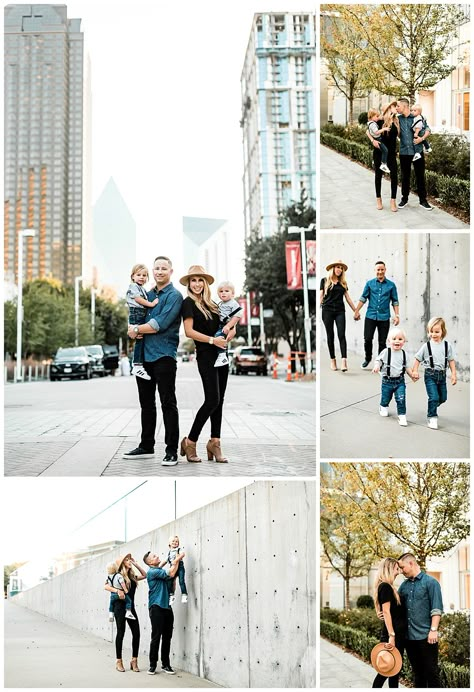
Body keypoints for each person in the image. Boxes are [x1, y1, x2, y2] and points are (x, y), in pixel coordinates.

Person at [125, 256, 183, 465]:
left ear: (170, 271)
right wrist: (132, 330)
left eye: (163, 268)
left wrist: (136, 330)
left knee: (168, 403)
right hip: (143, 357)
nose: (159, 271)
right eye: (156, 268)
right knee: (146, 404)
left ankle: (171, 450)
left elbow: (160, 324)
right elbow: (133, 319)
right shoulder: (145, 294)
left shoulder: (175, 296)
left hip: (164, 356)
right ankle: (146, 445)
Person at [180, 265, 236, 463]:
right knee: (212, 399)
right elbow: (189, 332)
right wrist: (212, 341)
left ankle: (215, 443)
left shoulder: (213, 304)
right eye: (193, 280)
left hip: (222, 355)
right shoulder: (188, 303)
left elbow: (226, 326)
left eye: (200, 280)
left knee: (219, 401)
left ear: (205, 283)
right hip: (206, 356)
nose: (196, 284)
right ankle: (190, 441)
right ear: (189, 283)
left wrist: (230, 332)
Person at [397, 552, 443, 688]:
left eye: (402, 567)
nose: (401, 571)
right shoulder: (403, 586)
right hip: (409, 639)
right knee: (418, 675)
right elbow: (396, 607)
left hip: (427, 637)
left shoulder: (431, 582)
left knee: (432, 674)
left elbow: (436, 609)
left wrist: (433, 630)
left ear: (411, 563)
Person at [143, 549, 186, 675]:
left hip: (167, 607)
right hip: (156, 607)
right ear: (150, 562)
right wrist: (178, 558)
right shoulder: (152, 572)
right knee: (156, 637)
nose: (157, 556)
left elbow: (171, 579)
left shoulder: (159, 570)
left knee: (167, 637)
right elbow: (172, 572)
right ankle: (152, 665)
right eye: (154, 556)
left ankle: (165, 664)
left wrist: (173, 581)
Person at [104, 553, 147, 673]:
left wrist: (136, 563)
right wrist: (117, 590)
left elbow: (145, 575)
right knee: (121, 632)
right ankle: (119, 661)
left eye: (129, 559)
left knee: (136, 633)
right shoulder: (117, 575)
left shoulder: (132, 577)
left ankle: (134, 660)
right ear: (122, 563)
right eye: (126, 560)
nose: (129, 561)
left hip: (130, 607)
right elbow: (106, 586)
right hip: (119, 607)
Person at [411, 317, 457, 430]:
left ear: (443, 332)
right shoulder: (426, 346)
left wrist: (454, 374)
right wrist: (415, 371)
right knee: (434, 397)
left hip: (442, 376)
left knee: (443, 398)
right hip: (430, 375)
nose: (434, 334)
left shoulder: (447, 346)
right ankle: (432, 417)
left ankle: (433, 406)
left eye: (437, 332)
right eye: (431, 332)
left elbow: (451, 361)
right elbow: (417, 359)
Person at [354, 261, 400, 370]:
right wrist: (356, 311)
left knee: (382, 341)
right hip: (370, 316)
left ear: (385, 270)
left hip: (384, 317)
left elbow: (395, 301)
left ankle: (380, 362)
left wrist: (397, 315)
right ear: (375, 271)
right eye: (378, 270)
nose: (380, 271)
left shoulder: (391, 285)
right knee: (368, 338)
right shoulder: (369, 284)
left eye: (382, 269)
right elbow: (363, 298)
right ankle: (368, 358)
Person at [372, 557, 406, 688]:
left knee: (393, 671)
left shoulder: (387, 587)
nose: (398, 572)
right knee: (385, 671)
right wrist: (392, 636)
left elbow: (387, 611)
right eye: (397, 569)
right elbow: (386, 612)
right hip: (392, 636)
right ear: (390, 569)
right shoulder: (385, 587)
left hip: (397, 635)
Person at [372, 327, 416, 427]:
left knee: (401, 398)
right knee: (386, 397)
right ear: (389, 341)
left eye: (400, 339)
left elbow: (407, 367)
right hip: (387, 381)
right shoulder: (386, 352)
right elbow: (378, 360)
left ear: (404, 341)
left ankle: (402, 415)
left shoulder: (404, 354)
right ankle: (383, 406)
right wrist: (377, 366)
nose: (397, 341)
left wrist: (412, 375)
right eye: (394, 339)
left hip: (400, 381)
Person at [319, 260, 358, 372]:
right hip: (327, 311)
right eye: (337, 267)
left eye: (341, 268)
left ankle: (344, 361)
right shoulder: (324, 281)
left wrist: (355, 310)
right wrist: (319, 307)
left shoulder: (343, 283)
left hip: (340, 311)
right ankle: (333, 360)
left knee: (342, 335)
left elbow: (348, 298)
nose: (339, 269)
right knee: (330, 336)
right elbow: (321, 296)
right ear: (333, 268)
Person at [395, 98, 432, 210]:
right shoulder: (398, 119)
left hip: (417, 151)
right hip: (404, 151)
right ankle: (404, 199)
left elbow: (428, 130)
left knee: (420, 176)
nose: (397, 108)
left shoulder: (417, 117)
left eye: (398, 106)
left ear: (405, 106)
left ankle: (423, 201)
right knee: (405, 176)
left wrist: (421, 139)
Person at [126, 263, 159, 380]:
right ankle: (137, 365)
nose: (141, 277)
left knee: (141, 338)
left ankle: (138, 364)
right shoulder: (133, 286)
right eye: (138, 274)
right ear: (133, 276)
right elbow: (138, 299)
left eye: (144, 275)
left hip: (140, 314)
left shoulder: (142, 289)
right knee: (139, 340)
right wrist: (151, 304)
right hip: (136, 313)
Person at [368, 102, 400, 213]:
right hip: (379, 152)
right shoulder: (380, 121)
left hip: (391, 153)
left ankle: (393, 201)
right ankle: (378, 199)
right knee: (378, 175)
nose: (396, 108)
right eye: (394, 106)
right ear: (388, 109)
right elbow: (367, 130)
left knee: (394, 176)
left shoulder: (396, 121)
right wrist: (372, 141)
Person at [213, 281, 242, 368]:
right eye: (221, 291)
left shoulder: (233, 303)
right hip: (220, 325)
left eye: (226, 291)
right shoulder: (220, 303)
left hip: (226, 326)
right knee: (217, 337)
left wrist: (229, 326)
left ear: (232, 294)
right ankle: (220, 355)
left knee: (219, 337)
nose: (223, 293)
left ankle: (222, 356)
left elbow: (238, 315)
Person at [158, 535, 188, 605]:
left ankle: (184, 594)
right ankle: (171, 595)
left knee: (181, 581)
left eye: (177, 541)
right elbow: (164, 561)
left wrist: (176, 560)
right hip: (173, 568)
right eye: (173, 541)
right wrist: (159, 567)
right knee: (169, 581)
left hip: (180, 567)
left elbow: (183, 554)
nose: (175, 542)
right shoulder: (168, 553)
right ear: (169, 543)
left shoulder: (179, 549)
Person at [367, 109, 391, 173]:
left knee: (383, 150)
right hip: (378, 139)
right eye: (376, 116)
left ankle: (374, 161)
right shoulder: (372, 124)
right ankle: (383, 164)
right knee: (385, 150)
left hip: (377, 139)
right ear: (372, 116)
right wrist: (384, 129)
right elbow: (376, 132)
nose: (378, 117)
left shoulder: (372, 123)